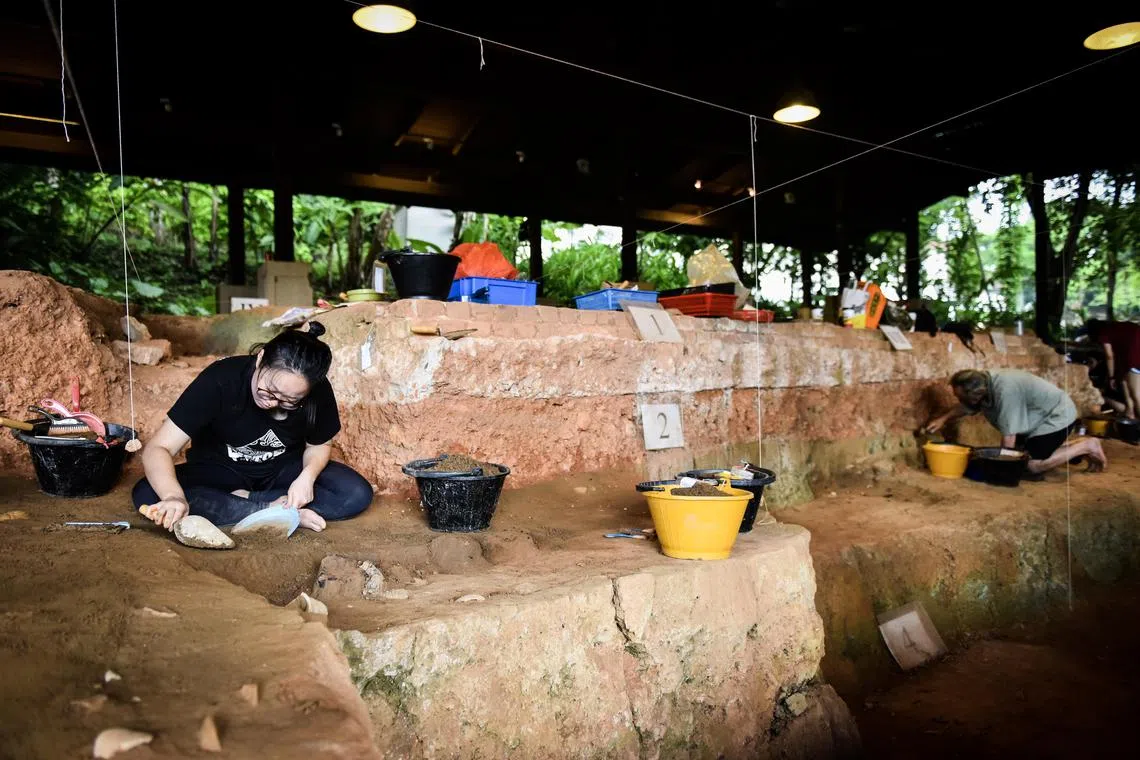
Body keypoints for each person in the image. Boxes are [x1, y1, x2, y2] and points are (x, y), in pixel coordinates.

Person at [133, 322, 372, 533]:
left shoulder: (317, 391)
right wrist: (173, 497)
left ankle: (250, 505)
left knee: (354, 493)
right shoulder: (220, 379)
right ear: (260, 358)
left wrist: (306, 479)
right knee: (150, 492)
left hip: (281, 474)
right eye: (269, 390)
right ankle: (275, 512)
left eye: (289, 401)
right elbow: (159, 448)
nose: (272, 402)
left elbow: (318, 445)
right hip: (220, 472)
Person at [925, 369, 1107, 475]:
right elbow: (966, 406)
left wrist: (1002, 470)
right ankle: (1075, 445)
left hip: (1057, 416)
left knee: (1032, 465)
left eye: (960, 396)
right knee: (1023, 456)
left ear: (975, 394)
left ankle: (1088, 446)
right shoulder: (983, 384)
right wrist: (942, 419)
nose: (958, 400)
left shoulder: (1005, 392)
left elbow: (1009, 438)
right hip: (1037, 420)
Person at [1087, 319, 1140, 419]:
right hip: (1130, 360)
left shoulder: (1105, 332)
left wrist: (1111, 377)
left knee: (1136, 395)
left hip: (1135, 359)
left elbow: (1109, 355)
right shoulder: (1120, 327)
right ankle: (1131, 418)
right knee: (1128, 392)